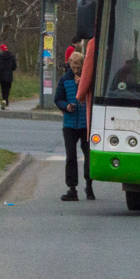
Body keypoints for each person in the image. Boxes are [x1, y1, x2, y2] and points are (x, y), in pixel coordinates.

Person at [56, 52, 93, 201]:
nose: (76, 70)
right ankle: (72, 188)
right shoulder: (64, 80)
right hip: (70, 123)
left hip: (85, 123)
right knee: (71, 156)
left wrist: (82, 87)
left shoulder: (87, 79)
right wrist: (66, 106)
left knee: (88, 155)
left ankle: (89, 185)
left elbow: (92, 96)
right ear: (70, 65)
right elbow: (58, 99)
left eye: (79, 67)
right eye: (73, 67)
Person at [0, 43, 17, 110]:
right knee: (7, 89)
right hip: (9, 75)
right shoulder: (12, 56)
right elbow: (14, 66)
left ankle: (4, 100)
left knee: (3, 89)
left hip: (1, 75)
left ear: (1, 50)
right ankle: (6, 101)